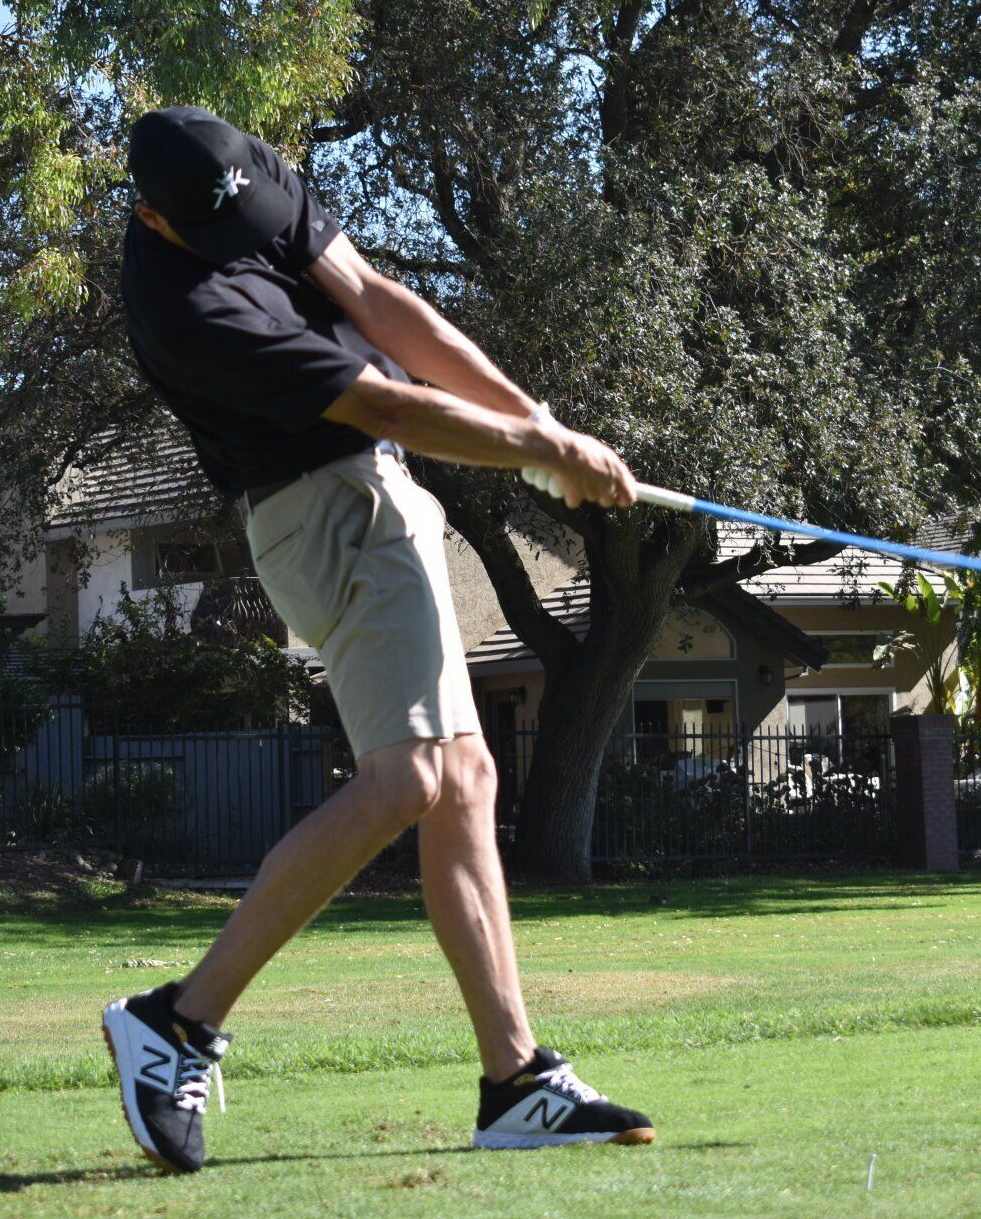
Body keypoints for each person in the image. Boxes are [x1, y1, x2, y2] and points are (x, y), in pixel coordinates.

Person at [101, 106, 653, 1174]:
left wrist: (540, 427)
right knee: (409, 777)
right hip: (325, 516)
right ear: (150, 216)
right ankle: (181, 1015)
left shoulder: (244, 177)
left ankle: (516, 1078)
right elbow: (380, 402)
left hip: (374, 500)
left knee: (467, 777)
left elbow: (383, 307)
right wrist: (543, 449)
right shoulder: (187, 308)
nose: (246, 238)